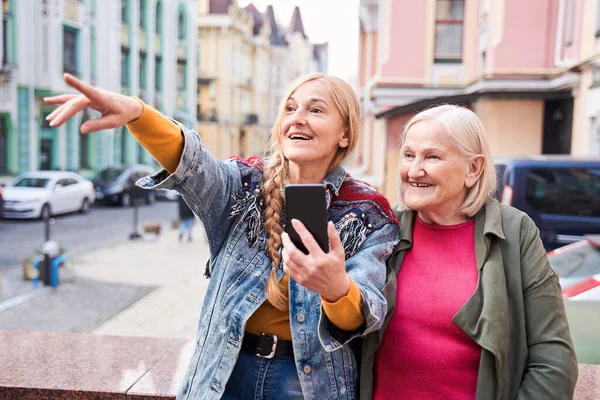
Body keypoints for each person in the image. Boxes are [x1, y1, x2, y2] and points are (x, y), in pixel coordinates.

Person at [44, 72, 399, 400]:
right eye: (290, 108)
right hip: (225, 373)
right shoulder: (243, 185)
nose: (298, 117)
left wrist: (336, 288)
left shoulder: (367, 213)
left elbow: (367, 315)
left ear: (345, 134)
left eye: (316, 109)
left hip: (307, 383)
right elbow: (193, 165)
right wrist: (138, 114)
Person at [359, 105, 579, 400]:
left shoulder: (515, 232)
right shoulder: (384, 227)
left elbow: (553, 358)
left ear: (473, 168)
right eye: (409, 155)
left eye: (432, 156)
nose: (414, 170)